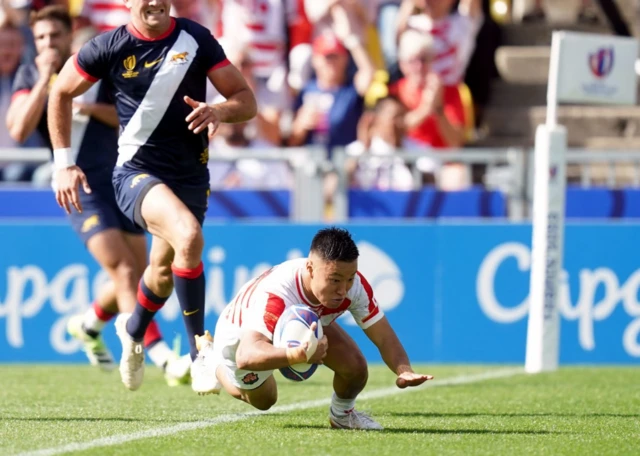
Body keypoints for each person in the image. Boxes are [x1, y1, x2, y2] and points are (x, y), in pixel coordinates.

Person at [48, 0, 257, 393]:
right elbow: (60, 92)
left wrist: (219, 112)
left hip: (191, 176)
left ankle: (133, 332)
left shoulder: (196, 38)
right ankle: (200, 355)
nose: (154, 2)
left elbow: (246, 99)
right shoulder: (107, 47)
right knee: (189, 236)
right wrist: (63, 164)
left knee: (161, 274)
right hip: (134, 174)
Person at [6, 6, 190, 386]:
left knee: (135, 275)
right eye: (40, 38)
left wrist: (84, 105)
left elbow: (128, 114)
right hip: (78, 186)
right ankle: (159, 356)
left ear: (70, 34)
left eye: (54, 36)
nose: (47, 43)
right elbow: (19, 129)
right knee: (124, 270)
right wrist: (47, 82)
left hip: (121, 180)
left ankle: (87, 324)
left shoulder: (97, 65)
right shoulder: (29, 73)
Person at [210, 227, 433, 429]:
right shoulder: (276, 294)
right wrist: (296, 355)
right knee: (265, 400)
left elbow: (384, 337)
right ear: (310, 268)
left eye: (349, 278)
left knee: (355, 367)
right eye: (335, 280)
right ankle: (212, 361)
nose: (343, 290)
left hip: (305, 319)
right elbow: (246, 355)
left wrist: (404, 370)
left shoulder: (355, 287)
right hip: (237, 340)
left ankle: (342, 416)